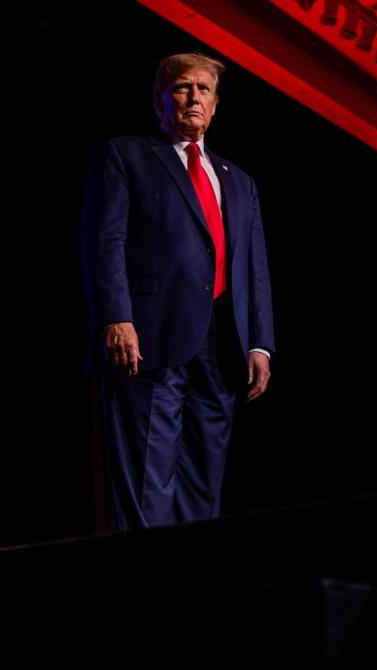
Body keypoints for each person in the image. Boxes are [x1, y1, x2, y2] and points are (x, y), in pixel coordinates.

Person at [81, 52, 275, 532]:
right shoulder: (126, 155)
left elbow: (255, 267)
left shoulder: (239, 180)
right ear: (160, 99)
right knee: (149, 470)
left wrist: (260, 343)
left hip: (222, 342)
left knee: (204, 474)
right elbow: (105, 241)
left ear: (215, 104)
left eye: (203, 90)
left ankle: (193, 572)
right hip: (150, 333)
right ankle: (148, 578)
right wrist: (116, 317)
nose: (193, 98)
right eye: (182, 88)